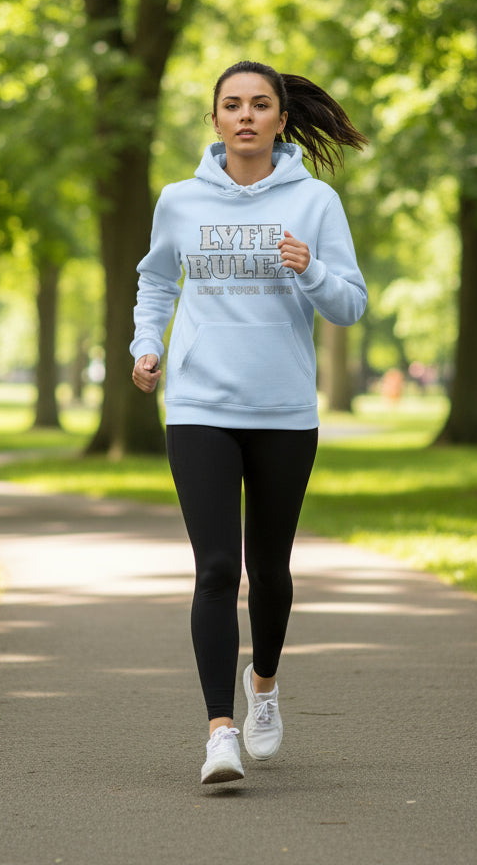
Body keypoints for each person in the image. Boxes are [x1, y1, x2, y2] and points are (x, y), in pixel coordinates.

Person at [130, 60, 368, 784]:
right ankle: (220, 730)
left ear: (280, 120)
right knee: (214, 569)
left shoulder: (316, 203)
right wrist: (147, 345)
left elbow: (350, 305)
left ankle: (262, 685)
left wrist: (312, 270)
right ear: (214, 120)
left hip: (284, 412)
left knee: (268, 571)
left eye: (260, 105)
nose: (245, 116)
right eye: (231, 105)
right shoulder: (178, 201)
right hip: (201, 407)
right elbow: (157, 279)